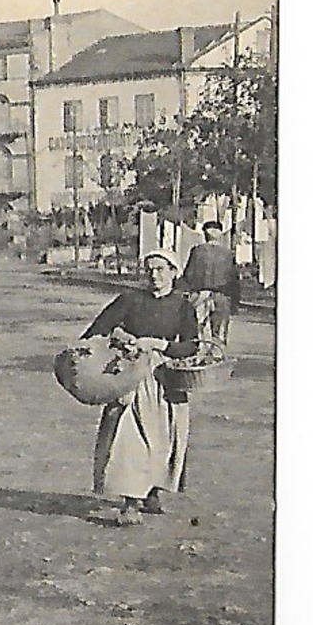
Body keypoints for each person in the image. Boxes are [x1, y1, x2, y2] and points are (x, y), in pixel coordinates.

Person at [80, 250, 199, 526]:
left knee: (163, 438)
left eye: (161, 269)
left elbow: (192, 345)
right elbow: (95, 331)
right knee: (130, 439)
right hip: (131, 377)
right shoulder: (130, 300)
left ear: (173, 271)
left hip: (165, 379)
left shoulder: (182, 306)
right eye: (150, 270)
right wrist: (119, 337)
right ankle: (130, 503)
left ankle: (153, 491)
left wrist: (159, 345)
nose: (154, 275)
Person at [179, 220, 241, 346]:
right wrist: (235, 302)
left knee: (198, 329)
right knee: (218, 331)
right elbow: (234, 279)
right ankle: (216, 355)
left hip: (200, 294)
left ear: (204, 234)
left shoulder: (197, 251)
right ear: (220, 234)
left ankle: (197, 354)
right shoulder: (228, 254)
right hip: (222, 296)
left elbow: (189, 274)